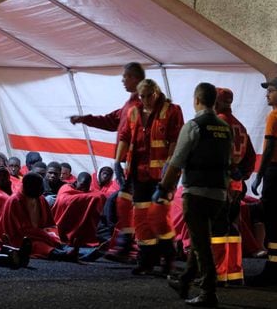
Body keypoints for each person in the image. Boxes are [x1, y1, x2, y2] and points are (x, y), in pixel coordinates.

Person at [158, 83, 232, 307]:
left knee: (201, 243)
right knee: (200, 236)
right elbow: (228, 161)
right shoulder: (224, 127)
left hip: (197, 191)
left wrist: (164, 187)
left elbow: (177, 161)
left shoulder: (193, 126)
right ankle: (185, 280)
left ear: (197, 99)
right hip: (219, 192)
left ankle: (209, 292)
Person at [70, 62, 145, 258]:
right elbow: (112, 121)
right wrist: (85, 119)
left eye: (126, 76)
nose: (123, 80)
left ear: (136, 78)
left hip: (140, 166)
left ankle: (132, 247)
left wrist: (122, 161)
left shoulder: (142, 105)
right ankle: (125, 245)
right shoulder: (130, 104)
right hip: (130, 164)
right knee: (124, 203)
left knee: (130, 204)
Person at [114, 79, 184, 275]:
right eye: (141, 96)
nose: (145, 100)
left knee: (159, 216)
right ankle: (147, 260)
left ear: (156, 92)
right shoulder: (133, 111)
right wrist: (117, 161)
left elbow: (176, 140)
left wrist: (170, 165)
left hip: (163, 175)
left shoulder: (172, 110)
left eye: (149, 95)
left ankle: (168, 258)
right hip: (138, 173)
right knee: (142, 218)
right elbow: (125, 137)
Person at [212, 87, 256, 286]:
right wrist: (243, 176)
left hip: (221, 183)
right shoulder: (240, 125)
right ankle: (235, 272)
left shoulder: (217, 124)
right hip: (237, 184)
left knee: (218, 229)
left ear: (217, 102)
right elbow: (251, 157)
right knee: (233, 226)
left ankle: (219, 273)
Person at [0, 172, 78, 261]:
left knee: (56, 241)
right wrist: (41, 234)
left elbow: (50, 224)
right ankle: (63, 255)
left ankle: (76, 252)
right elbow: (15, 230)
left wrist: (50, 235)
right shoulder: (15, 200)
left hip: (40, 234)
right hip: (20, 238)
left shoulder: (40, 198)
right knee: (40, 246)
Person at [249, 77, 277, 286]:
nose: (267, 94)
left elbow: (268, 149)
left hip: (275, 172)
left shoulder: (274, 116)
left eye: (271, 90)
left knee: (273, 221)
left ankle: (272, 269)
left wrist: (259, 175)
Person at [52, 172, 106, 246]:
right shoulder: (66, 188)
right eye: (82, 185)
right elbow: (64, 200)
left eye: (86, 187)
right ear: (76, 182)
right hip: (67, 218)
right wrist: (86, 198)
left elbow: (99, 195)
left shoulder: (90, 191)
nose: (83, 189)